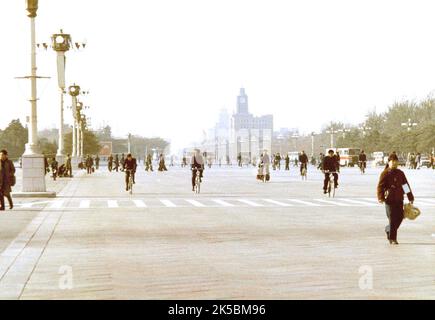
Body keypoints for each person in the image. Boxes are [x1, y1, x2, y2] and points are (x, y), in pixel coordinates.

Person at [377, 153, 414, 245]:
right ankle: (393, 239)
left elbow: (405, 185)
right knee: (393, 219)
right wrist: (380, 197)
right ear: (388, 162)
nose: (394, 163)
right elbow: (380, 187)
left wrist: (410, 197)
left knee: (400, 218)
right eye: (392, 161)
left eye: (395, 161)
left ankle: (388, 229)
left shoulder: (400, 173)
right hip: (389, 200)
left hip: (399, 199)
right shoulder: (385, 173)